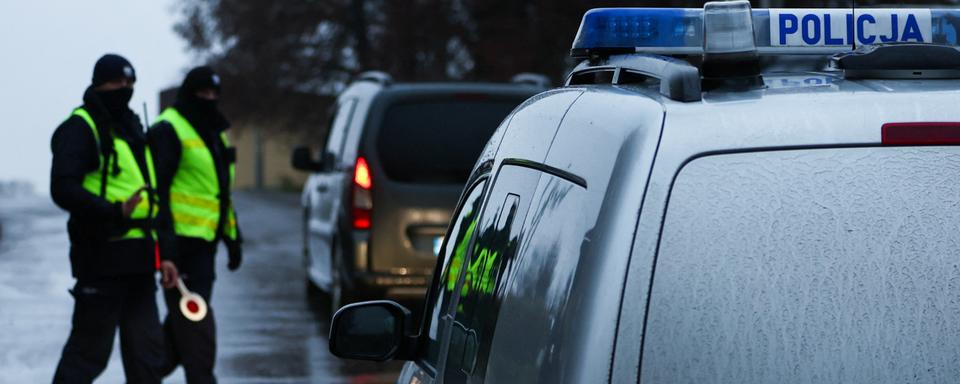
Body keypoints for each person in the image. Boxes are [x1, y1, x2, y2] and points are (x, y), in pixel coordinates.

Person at [51, 54, 179, 384]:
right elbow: (63, 188)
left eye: (131, 83)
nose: (126, 89)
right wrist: (113, 211)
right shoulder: (81, 126)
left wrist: (165, 254)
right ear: (99, 83)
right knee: (86, 358)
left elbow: (156, 199)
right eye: (118, 83)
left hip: (140, 266)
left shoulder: (134, 131)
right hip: (101, 260)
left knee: (147, 360)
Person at [149, 66, 242, 384]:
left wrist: (232, 237)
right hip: (179, 246)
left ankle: (146, 373)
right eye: (203, 94)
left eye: (214, 94)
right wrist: (167, 253)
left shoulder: (215, 132)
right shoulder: (168, 129)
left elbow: (219, 192)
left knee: (183, 325)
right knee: (195, 321)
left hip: (205, 245)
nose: (209, 99)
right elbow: (158, 195)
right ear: (189, 94)